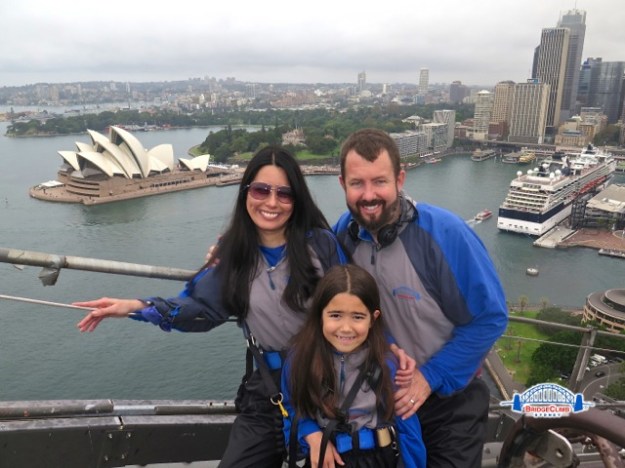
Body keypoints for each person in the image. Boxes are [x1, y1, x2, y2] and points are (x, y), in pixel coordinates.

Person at [74, 146, 349, 468]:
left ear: (297, 200)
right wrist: (137, 306)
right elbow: (201, 309)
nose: (271, 203)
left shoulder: (320, 245)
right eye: (261, 190)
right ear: (246, 192)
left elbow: (352, 303)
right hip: (271, 393)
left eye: (284, 194)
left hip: (328, 382)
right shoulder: (233, 258)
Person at [332, 128, 508, 468]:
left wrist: (429, 377)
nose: (369, 195)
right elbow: (304, 258)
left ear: (400, 178)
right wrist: (240, 245)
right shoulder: (344, 233)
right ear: (343, 185)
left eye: (379, 182)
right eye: (357, 184)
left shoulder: (445, 234)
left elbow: (490, 318)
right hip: (383, 393)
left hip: (450, 397)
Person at [282, 264, 426, 468]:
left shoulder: (388, 365)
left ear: (373, 319)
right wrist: (310, 435)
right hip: (325, 456)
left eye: (358, 317)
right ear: (320, 315)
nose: (346, 328)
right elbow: (292, 406)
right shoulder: (300, 359)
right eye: (335, 315)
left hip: (375, 458)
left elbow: (407, 428)